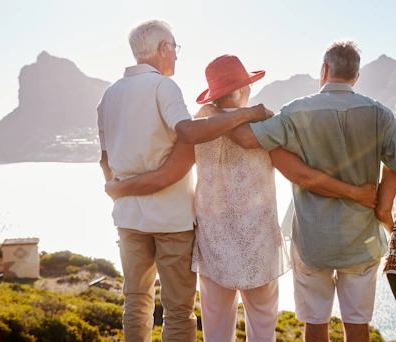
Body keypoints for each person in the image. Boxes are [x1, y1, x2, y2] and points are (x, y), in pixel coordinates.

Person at [105, 55, 377, 342]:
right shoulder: (263, 128)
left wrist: (121, 187)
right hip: (259, 249)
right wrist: (353, 191)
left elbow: (168, 174)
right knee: (262, 332)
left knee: (217, 334)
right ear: (240, 90)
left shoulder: (197, 128)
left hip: (214, 248)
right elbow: (301, 174)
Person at [223, 40, 396, 342]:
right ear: (356, 76)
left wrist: (217, 111)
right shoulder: (379, 114)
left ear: (324, 69)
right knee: (357, 325)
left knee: (315, 323)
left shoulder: (295, 112)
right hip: (361, 239)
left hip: (311, 239)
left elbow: (245, 139)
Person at [96, 20, 271, 342]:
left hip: (127, 217)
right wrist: (247, 114)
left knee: (135, 302)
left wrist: (119, 189)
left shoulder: (109, 95)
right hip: (171, 220)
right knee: (178, 309)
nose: (176, 56)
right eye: (175, 48)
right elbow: (188, 134)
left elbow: (105, 160)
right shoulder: (163, 87)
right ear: (163, 48)